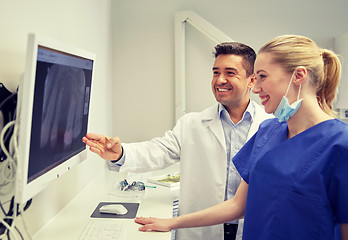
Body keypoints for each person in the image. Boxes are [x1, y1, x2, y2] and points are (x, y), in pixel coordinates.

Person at [134, 35, 348, 240]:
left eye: (262, 76)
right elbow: (238, 205)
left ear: (299, 76)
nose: (255, 88)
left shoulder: (340, 144)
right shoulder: (268, 132)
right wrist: (173, 223)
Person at [82, 42, 273, 240]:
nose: (220, 80)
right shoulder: (192, 124)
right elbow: (158, 150)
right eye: (216, 72)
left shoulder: (272, 126)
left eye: (230, 73)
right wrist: (121, 153)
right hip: (200, 231)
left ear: (251, 80)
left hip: (252, 228)